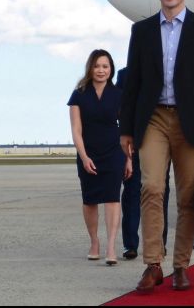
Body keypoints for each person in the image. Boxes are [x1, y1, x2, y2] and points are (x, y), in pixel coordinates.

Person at [119, 0, 194, 293]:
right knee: (151, 187)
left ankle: (181, 265)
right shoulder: (142, 31)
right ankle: (153, 264)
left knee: (189, 196)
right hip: (153, 119)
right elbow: (132, 82)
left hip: (191, 121)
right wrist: (125, 129)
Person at [68, 49, 130, 266]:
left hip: (114, 152)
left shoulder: (118, 94)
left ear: (111, 69)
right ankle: (94, 242)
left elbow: (125, 130)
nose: (101, 70)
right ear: (90, 68)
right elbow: (76, 130)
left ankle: (111, 246)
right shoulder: (79, 94)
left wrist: (129, 159)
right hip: (88, 153)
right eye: (97, 66)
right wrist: (84, 157)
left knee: (113, 198)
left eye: (105, 66)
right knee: (90, 199)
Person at [116, 67, 171, 260]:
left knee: (160, 191)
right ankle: (130, 244)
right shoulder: (125, 74)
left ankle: (160, 242)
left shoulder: (164, 71)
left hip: (161, 142)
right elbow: (121, 108)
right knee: (132, 192)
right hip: (135, 143)